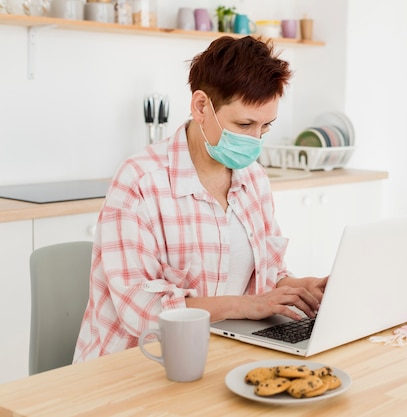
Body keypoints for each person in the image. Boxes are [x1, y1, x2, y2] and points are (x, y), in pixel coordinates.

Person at [73, 36, 328, 362]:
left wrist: (300, 288)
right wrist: (245, 306)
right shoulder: (140, 181)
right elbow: (141, 310)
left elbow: (266, 272)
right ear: (201, 106)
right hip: (137, 364)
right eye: (244, 124)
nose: (254, 140)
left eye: (265, 127)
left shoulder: (254, 178)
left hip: (216, 356)